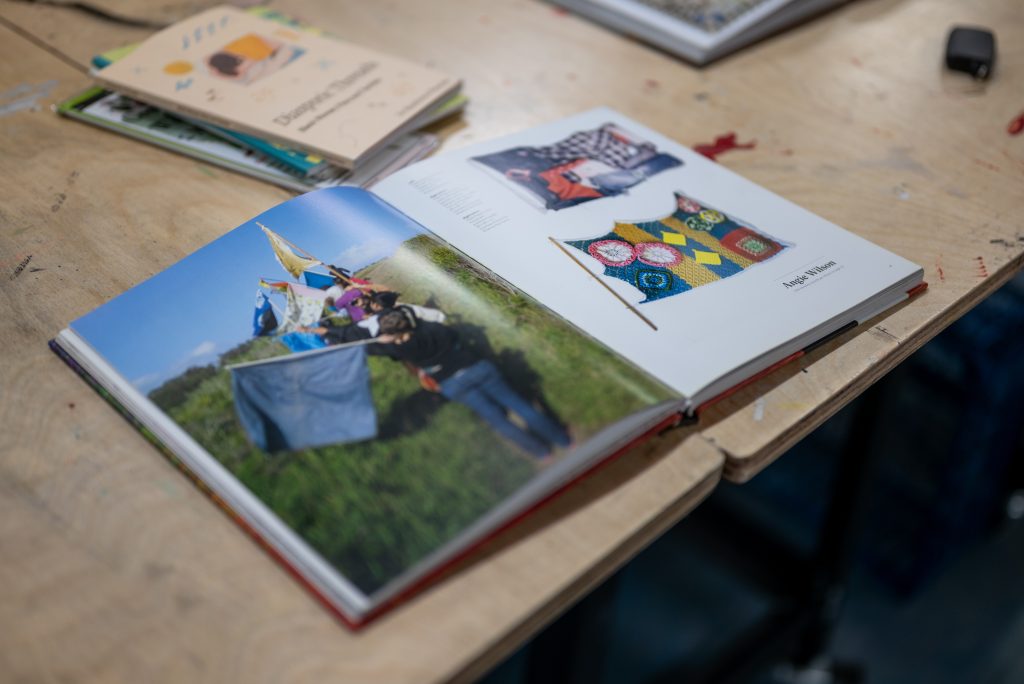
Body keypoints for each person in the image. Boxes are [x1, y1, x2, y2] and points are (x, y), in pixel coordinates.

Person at [370, 308, 571, 459]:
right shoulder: (433, 329)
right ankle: (564, 441)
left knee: (497, 420)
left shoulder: (399, 350)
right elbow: (453, 334)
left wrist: (386, 339)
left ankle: (542, 453)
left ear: (391, 334)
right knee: (518, 404)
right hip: (476, 368)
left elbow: (375, 348)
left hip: (452, 384)